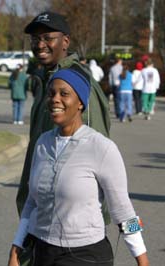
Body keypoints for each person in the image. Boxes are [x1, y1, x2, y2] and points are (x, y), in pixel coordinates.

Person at [8, 68, 149, 266]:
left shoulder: (101, 147)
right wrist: (16, 248)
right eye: (51, 94)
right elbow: (32, 203)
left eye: (64, 94)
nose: (55, 99)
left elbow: (124, 212)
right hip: (43, 252)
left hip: (86, 255)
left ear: (81, 102)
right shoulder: (42, 143)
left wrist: (143, 260)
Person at [16, 11, 111, 218]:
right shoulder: (46, 79)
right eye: (35, 38)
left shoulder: (78, 84)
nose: (40, 44)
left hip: (72, 222)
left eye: (48, 38)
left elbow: (97, 153)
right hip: (42, 215)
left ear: (65, 41)